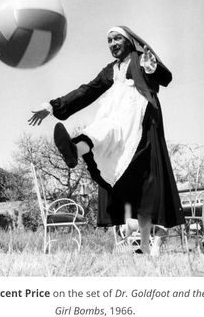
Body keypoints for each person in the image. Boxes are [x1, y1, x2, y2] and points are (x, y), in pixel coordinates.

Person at [28, 26, 185, 254]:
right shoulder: (111, 69)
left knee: (141, 174)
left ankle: (149, 242)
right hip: (116, 116)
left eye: (117, 38)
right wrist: (52, 106)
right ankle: (75, 149)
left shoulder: (139, 59)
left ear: (129, 40)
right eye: (109, 40)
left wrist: (152, 67)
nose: (112, 43)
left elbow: (165, 77)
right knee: (102, 131)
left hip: (140, 120)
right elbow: (87, 91)